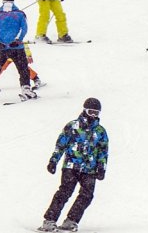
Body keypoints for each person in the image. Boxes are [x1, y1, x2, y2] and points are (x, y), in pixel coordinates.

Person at [37, 98, 109, 232]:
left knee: (87, 195)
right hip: (71, 166)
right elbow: (61, 145)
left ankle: (71, 220)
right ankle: (49, 220)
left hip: (90, 169)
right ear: (84, 110)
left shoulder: (100, 131)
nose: (93, 115)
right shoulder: (72, 126)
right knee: (64, 192)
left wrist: (101, 168)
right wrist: (53, 161)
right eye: (90, 112)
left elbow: (103, 152)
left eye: (96, 113)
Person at [0, 0, 37, 105]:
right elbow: (24, 28)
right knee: (23, 68)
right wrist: (18, 39)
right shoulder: (20, 14)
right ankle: (26, 89)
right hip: (17, 48)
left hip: (3, 48)